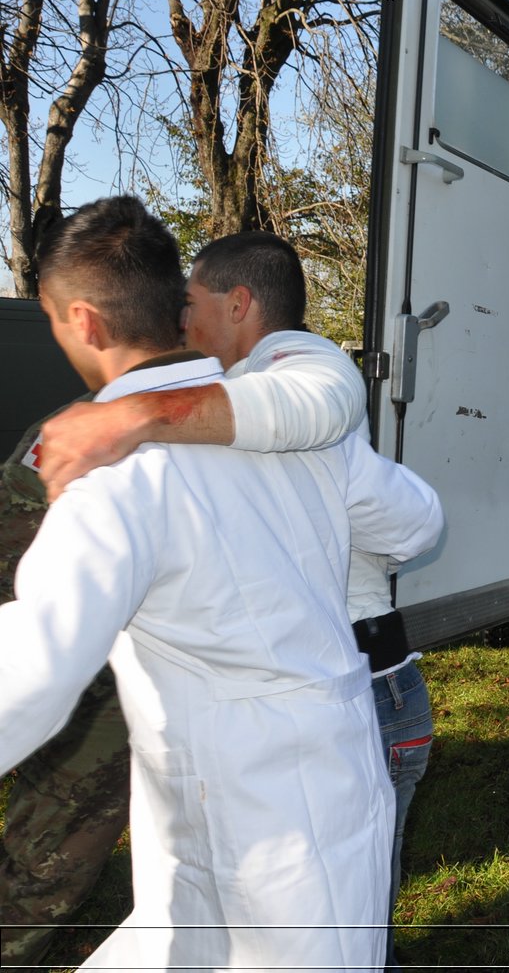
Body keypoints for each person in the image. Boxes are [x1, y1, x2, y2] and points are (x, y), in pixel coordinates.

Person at [0, 196, 443, 968]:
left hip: (258, 832)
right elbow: (414, 524)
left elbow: (32, 670)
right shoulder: (296, 426)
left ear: (85, 321)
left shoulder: (102, 465)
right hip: (304, 786)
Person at [0, 410, 130, 968]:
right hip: (92, 671)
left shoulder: (73, 420)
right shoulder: (96, 427)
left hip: (83, 660)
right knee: (52, 847)